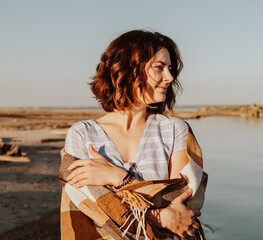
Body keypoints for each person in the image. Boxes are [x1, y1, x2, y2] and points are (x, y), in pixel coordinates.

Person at [62, 30, 203, 239]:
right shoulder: (82, 135)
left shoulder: (176, 130)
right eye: (159, 67)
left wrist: (119, 178)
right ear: (128, 69)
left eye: (170, 69)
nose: (170, 77)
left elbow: (183, 202)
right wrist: (159, 218)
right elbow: (92, 209)